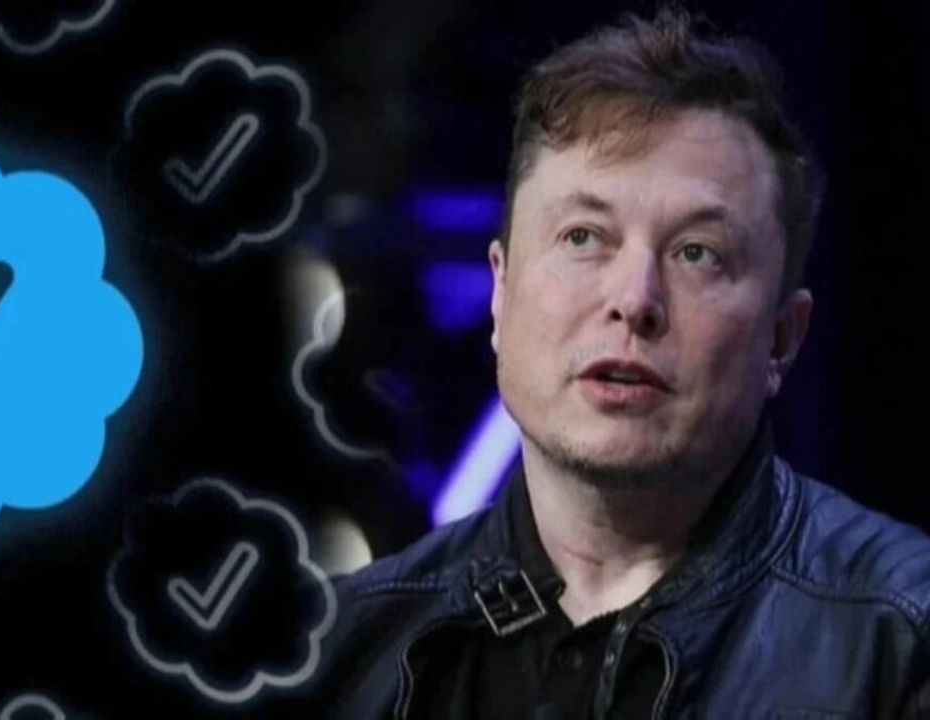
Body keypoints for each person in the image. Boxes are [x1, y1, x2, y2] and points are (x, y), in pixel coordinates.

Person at [317, 7, 930, 718]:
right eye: (583, 237)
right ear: (500, 294)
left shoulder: (901, 638)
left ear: (782, 340)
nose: (635, 300)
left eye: (697, 253)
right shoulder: (341, 654)